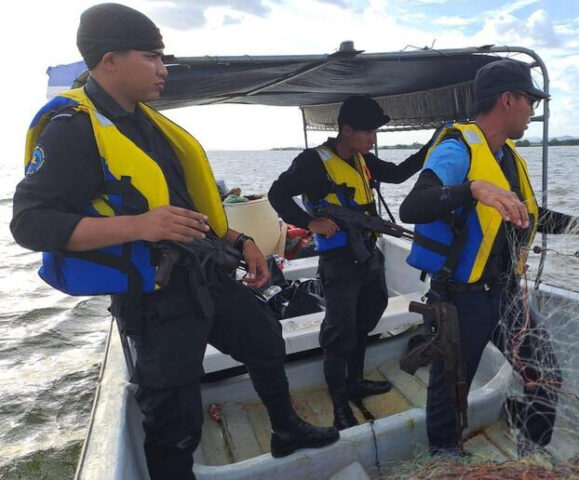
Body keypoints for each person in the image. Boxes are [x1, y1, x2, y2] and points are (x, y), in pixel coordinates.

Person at [10, 4, 338, 479]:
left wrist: (240, 240)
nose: (163, 69)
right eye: (151, 57)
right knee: (175, 421)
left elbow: (185, 208)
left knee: (265, 338)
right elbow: (29, 223)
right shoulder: (72, 130)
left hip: (204, 276)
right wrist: (140, 226)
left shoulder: (147, 123)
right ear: (109, 60)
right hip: (155, 299)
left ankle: (286, 429)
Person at [399, 59, 579, 456]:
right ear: (508, 99)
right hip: (461, 299)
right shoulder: (457, 149)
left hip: (506, 294)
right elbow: (412, 206)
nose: (533, 111)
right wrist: (472, 188)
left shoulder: (508, 157)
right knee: (451, 387)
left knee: (546, 374)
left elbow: (533, 215)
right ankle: (446, 458)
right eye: (530, 101)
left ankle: (530, 453)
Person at [268, 96, 427, 429]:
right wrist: (310, 223)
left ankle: (354, 381)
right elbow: (277, 194)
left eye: (375, 132)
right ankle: (340, 404)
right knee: (339, 333)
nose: (372, 138)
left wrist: (433, 147)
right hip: (338, 262)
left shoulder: (362, 159)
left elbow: (398, 174)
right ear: (347, 130)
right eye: (368, 132)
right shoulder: (313, 162)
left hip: (368, 256)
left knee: (368, 315)